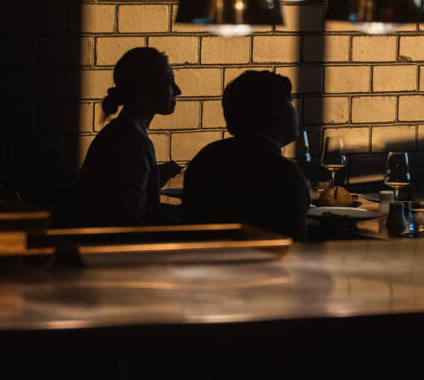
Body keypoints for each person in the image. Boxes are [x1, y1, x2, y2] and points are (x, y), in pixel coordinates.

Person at [182, 70, 309, 241]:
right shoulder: (283, 173)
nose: (295, 112)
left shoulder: (207, 157)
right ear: (274, 110)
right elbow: (295, 248)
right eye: (290, 103)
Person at [78, 47, 182, 227]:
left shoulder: (120, 134)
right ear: (146, 89)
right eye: (169, 82)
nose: (178, 90)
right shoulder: (132, 143)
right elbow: (127, 219)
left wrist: (154, 181)